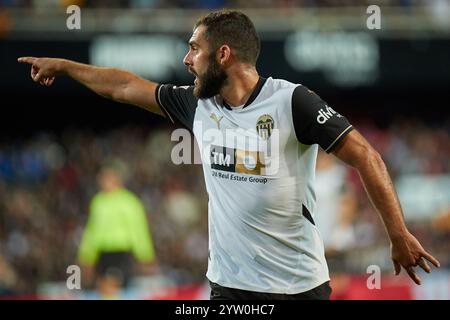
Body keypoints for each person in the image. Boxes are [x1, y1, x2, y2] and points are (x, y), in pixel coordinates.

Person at [18, 10, 440, 300]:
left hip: (299, 287)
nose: (185, 60)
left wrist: (397, 234)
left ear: (223, 54)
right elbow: (124, 86)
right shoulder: (196, 104)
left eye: (193, 49)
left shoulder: (292, 102)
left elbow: (367, 156)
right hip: (227, 287)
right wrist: (67, 66)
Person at [77, 160, 157, 298]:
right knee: (104, 290)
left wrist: (145, 255)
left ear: (117, 179)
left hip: (122, 252)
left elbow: (138, 231)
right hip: (102, 253)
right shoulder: (98, 202)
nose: (103, 182)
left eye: (107, 178)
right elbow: (91, 232)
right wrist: (86, 256)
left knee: (116, 288)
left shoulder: (129, 202)